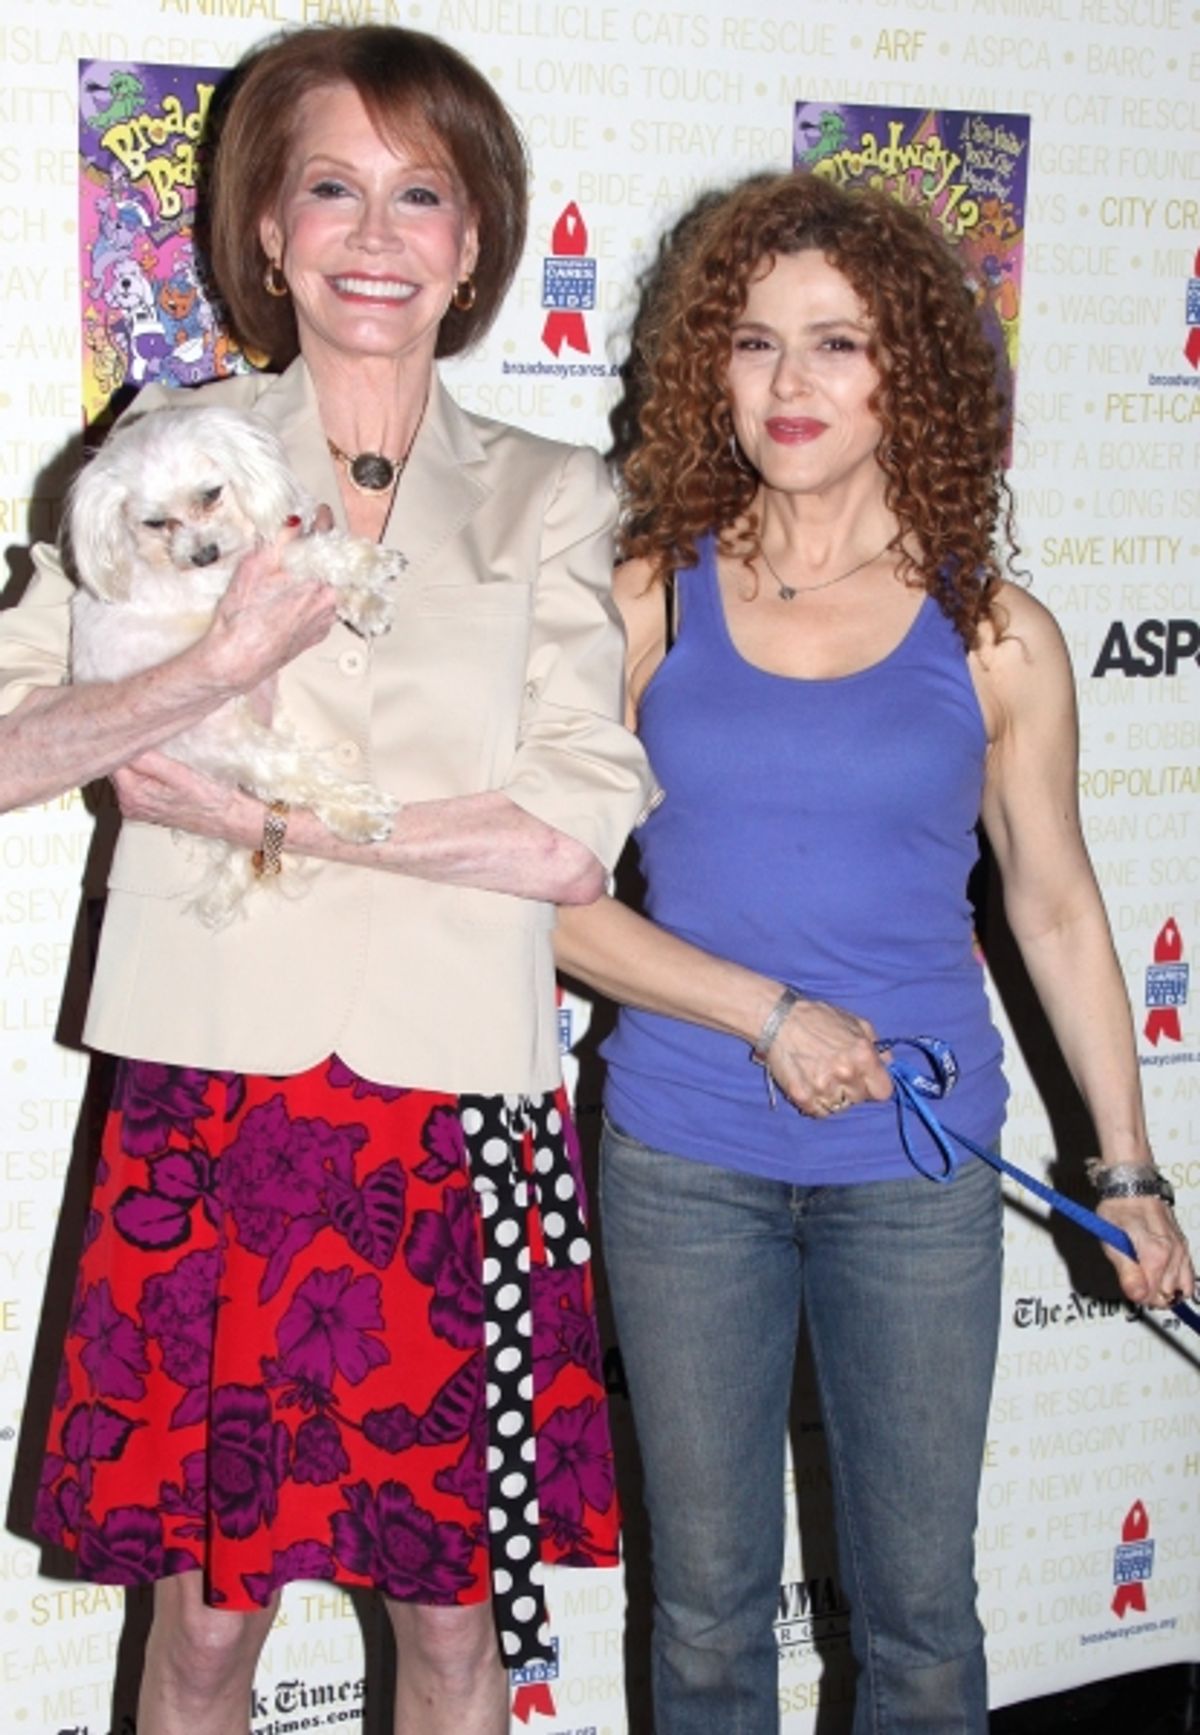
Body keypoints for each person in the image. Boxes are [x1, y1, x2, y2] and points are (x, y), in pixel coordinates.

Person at [0, 26, 652, 1735]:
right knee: (207, 1632)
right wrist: (212, 666)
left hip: (460, 1122)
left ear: (476, 241)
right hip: (212, 1104)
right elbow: (17, 744)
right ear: (269, 235)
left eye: (421, 193)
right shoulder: (170, 451)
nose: (377, 234)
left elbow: (574, 826)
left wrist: (270, 819)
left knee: (453, 1634)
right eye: (332, 189)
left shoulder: (552, 494)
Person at [554, 171, 1194, 1735]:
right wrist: (764, 1014)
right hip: (682, 1157)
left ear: (908, 367)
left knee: (918, 1622)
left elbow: (1051, 900)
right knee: (703, 1616)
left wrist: (1126, 1163)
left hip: (916, 1172)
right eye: (756, 342)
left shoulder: (996, 634)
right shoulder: (646, 594)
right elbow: (549, 896)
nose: (790, 385)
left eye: (836, 344)